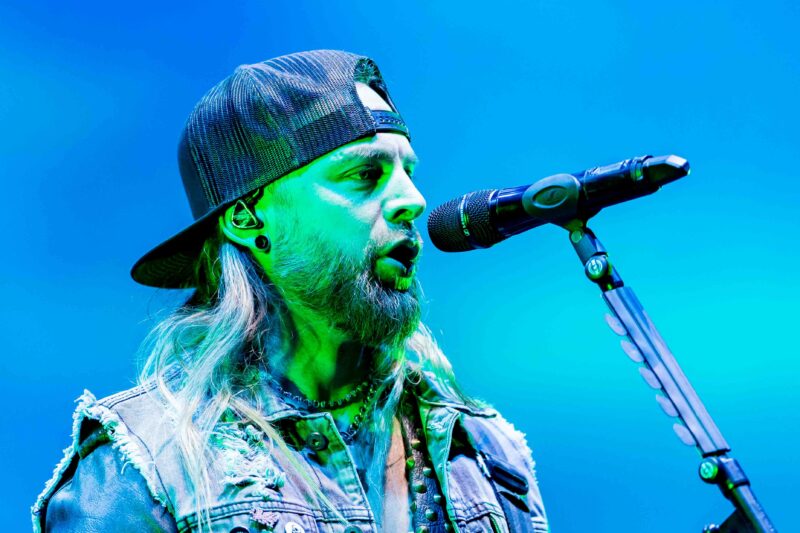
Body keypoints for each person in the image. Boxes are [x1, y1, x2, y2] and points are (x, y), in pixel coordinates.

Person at [32, 50, 548, 533]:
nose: (411, 200)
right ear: (248, 217)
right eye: (365, 174)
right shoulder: (147, 465)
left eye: (408, 172)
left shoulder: (486, 453)